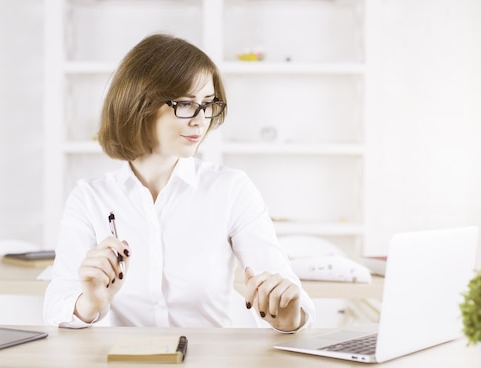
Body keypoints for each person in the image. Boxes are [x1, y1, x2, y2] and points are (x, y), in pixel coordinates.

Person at [43, 33, 316, 332]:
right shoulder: (89, 198)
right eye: (186, 104)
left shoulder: (231, 190)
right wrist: (90, 303)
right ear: (140, 105)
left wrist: (288, 313)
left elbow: (289, 297)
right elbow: (57, 308)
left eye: (209, 104)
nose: (201, 120)